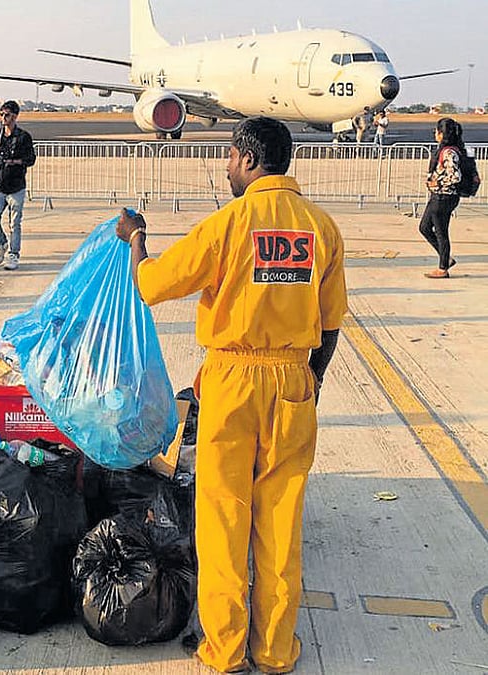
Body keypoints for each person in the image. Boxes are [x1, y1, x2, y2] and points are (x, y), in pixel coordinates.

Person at [116, 117, 347, 674]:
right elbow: (332, 322)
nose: (225, 169)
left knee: (224, 518)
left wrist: (136, 237)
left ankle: (225, 649)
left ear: (247, 159)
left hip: (234, 379)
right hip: (294, 378)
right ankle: (274, 649)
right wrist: (308, 382)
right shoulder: (322, 227)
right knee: (281, 518)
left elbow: (151, 284)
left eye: (228, 159)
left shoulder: (229, 224)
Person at [0, 99, 35, 271]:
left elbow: (31, 160)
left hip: (16, 187)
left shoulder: (23, 137)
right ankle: (2, 244)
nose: (3, 118)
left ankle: (14, 254)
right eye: (1, 114)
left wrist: (14, 161)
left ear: (15, 116)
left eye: (6, 115)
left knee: (15, 223)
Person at [419, 117, 465, 279]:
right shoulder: (445, 149)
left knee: (441, 232)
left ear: (441, 133)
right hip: (438, 196)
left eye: (437, 131)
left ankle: (443, 267)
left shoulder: (449, 152)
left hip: (444, 197)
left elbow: (455, 176)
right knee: (424, 227)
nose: (435, 134)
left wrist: (436, 182)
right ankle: (446, 258)